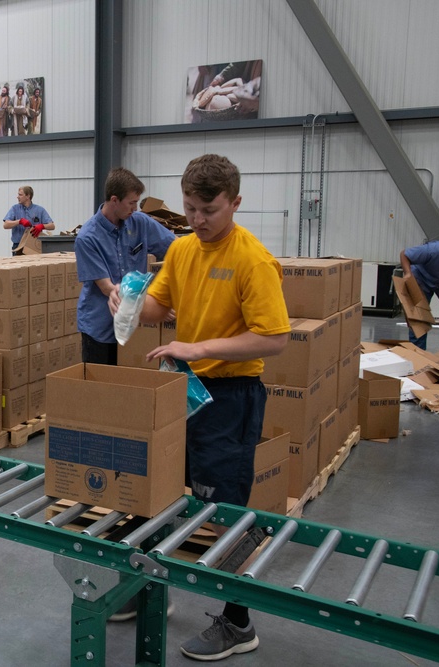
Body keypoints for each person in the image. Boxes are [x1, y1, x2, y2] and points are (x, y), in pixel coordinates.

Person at [113, 154, 290, 660]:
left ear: (235, 202)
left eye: (208, 210)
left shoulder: (252, 259)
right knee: (163, 491)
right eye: (190, 208)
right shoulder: (184, 250)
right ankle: (148, 590)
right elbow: (159, 306)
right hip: (184, 392)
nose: (196, 219)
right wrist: (126, 304)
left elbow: (273, 339)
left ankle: (238, 623)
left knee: (224, 510)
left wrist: (197, 348)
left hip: (230, 400)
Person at [75, 167, 176, 364]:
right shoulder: (87, 238)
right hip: (100, 328)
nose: (135, 209)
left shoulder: (140, 223)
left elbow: (176, 249)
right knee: (102, 389)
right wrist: (157, 307)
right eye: (132, 203)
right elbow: (109, 289)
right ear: (114, 200)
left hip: (134, 326)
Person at [2, 186, 56, 254]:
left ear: (28, 196)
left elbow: (52, 226)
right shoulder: (15, 209)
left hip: (34, 245)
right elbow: (5, 225)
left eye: (20, 195)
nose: (17, 197)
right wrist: (19, 221)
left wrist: (42, 226)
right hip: (18, 246)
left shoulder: (39, 210)